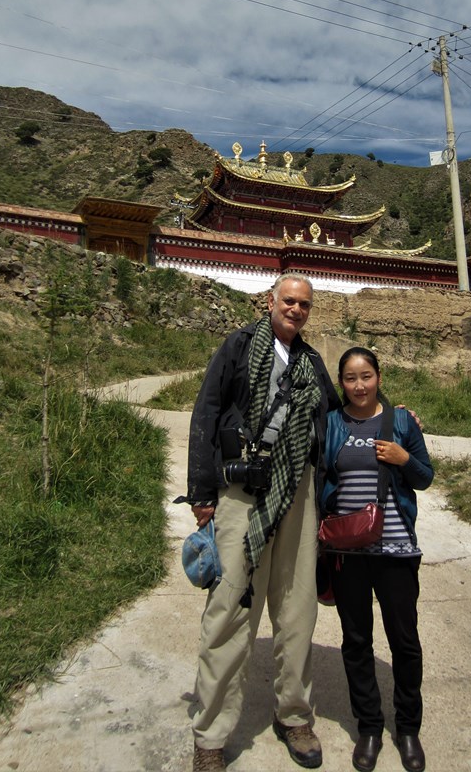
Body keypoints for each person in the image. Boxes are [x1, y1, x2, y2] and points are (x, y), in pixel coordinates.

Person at [185, 274, 340, 772]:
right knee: (229, 609)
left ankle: (294, 715)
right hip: (240, 494)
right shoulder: (239, 346)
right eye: (288, 301)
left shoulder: (312, 364)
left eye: (304, 305)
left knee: (297, 611)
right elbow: (207, 410)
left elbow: (334, 420)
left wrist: (389, 418)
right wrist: (203, 490)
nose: (296, 310)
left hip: (298, 493)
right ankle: (210, 733)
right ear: (270, 301)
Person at [320, 347, 434, 772]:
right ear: (341, 383)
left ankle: (408, 729)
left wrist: (404, 459)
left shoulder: (401, 421)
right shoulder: (333, 423)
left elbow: (425, 477)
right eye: (350, 378)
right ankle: (369, 727)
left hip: (395, 548)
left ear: (379, 377)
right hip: (347, 552)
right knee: (356, 641)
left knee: (404, 641)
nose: (359, 385)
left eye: (366, 376)